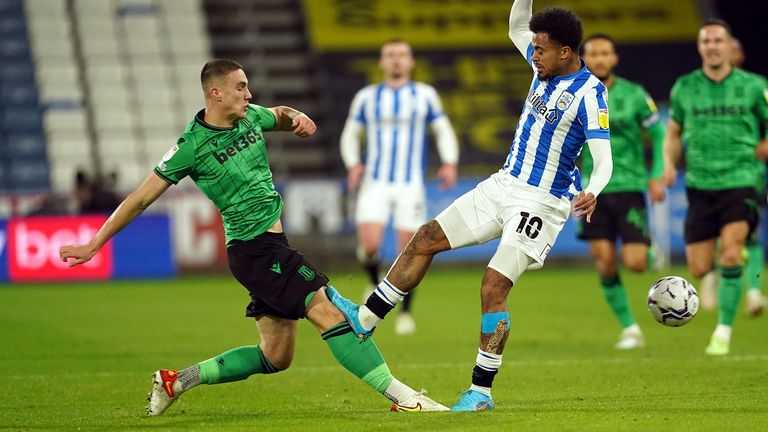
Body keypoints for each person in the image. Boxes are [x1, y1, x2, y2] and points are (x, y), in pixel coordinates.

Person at [58, 59, 449, 415]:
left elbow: (279, 115)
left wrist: (299, 117)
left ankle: (176, 381)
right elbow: (140, 198)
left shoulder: (250, 118)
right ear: (216, 93)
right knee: (331, 313)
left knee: (276, 357)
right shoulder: (190, 147)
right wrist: (95, 243)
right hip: (254, 251)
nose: (249, 94)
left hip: (270, 248)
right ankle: (405, 398)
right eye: (241, 87)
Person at [328, 0, 613, 411]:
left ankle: (481, 391)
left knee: (493, 285)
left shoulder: (591, 94)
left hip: (543, 203)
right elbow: (517, 23)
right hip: (502, 185)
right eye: (532, 49)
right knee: (425, 238)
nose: (533, 55)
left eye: (541, 49)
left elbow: (603, 158)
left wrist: (594, 190)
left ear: (565, 52)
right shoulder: (541, 68)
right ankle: (366, 319)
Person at [662, 20, 768, 355]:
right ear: (700, 47)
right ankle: (735, 262)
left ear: (728, 45)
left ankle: (722, 331)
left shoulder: (754, 87)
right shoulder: (685, 87)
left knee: (732, 252)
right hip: (700, 184)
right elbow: (674, 134)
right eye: (706, 41)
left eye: (718, 40)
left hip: (741, 180)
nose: (712, 46)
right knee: (700, 267)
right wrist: (667, 164)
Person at [340, 39, 459, 335]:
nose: (396, 60)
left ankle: (405, 312)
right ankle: (372, 276)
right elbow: (351, 133)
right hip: (375, 182)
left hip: (410, 185)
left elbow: (442, 129)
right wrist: (354, 164)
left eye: (402, 55)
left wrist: (449, 162)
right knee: (369, 246)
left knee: (410, 250)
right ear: (381, 63)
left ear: (411, 62)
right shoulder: (367, 97)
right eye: (390, 55)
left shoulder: (424, 95)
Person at [578, 34, 666, 349]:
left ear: (614, 58)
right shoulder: (577, 94)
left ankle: (647, 246)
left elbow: (659, 135)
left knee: (636, 263)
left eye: (605, 53)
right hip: (593, 192)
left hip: (629, 187)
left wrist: (656, 175)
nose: (600, 59)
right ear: (584, 58)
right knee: (603, 261)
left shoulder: (635, 95)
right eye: (593, 53)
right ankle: (630, 328)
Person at [696, 35, 768, 317]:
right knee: (719, 235)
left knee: (750, 235)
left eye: (735, 48)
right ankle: (712, 276)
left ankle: (752, 292)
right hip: (709, 176)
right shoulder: (699, 88)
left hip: (749, 175)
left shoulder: (757, 87)